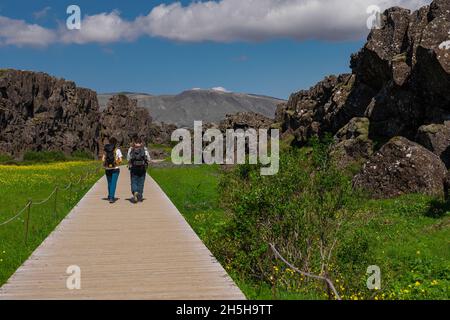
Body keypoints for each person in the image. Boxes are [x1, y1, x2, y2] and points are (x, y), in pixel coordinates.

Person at [127, 136, 151, 203]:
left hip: (133, 168)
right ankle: (139, 194)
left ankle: (135, 191)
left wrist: (129, 163)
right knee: (141, 181)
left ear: (134, 142)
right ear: (141, 143)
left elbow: (128, 158)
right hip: (142, 168)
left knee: (133, 180)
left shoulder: (131, 149)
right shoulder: (144, 149)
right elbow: (148, 159)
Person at [102, 137, 123, 204]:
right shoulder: (117, 150)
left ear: (109, 142)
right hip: (115, 168)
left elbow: (103, 159)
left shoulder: (106, 150)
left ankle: (109, 195)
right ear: (116, 143)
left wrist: (105, 164)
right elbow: (121, 160)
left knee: (109, 183)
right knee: (113, 183)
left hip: (107, 168)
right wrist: (116, 162)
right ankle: (111, 197)